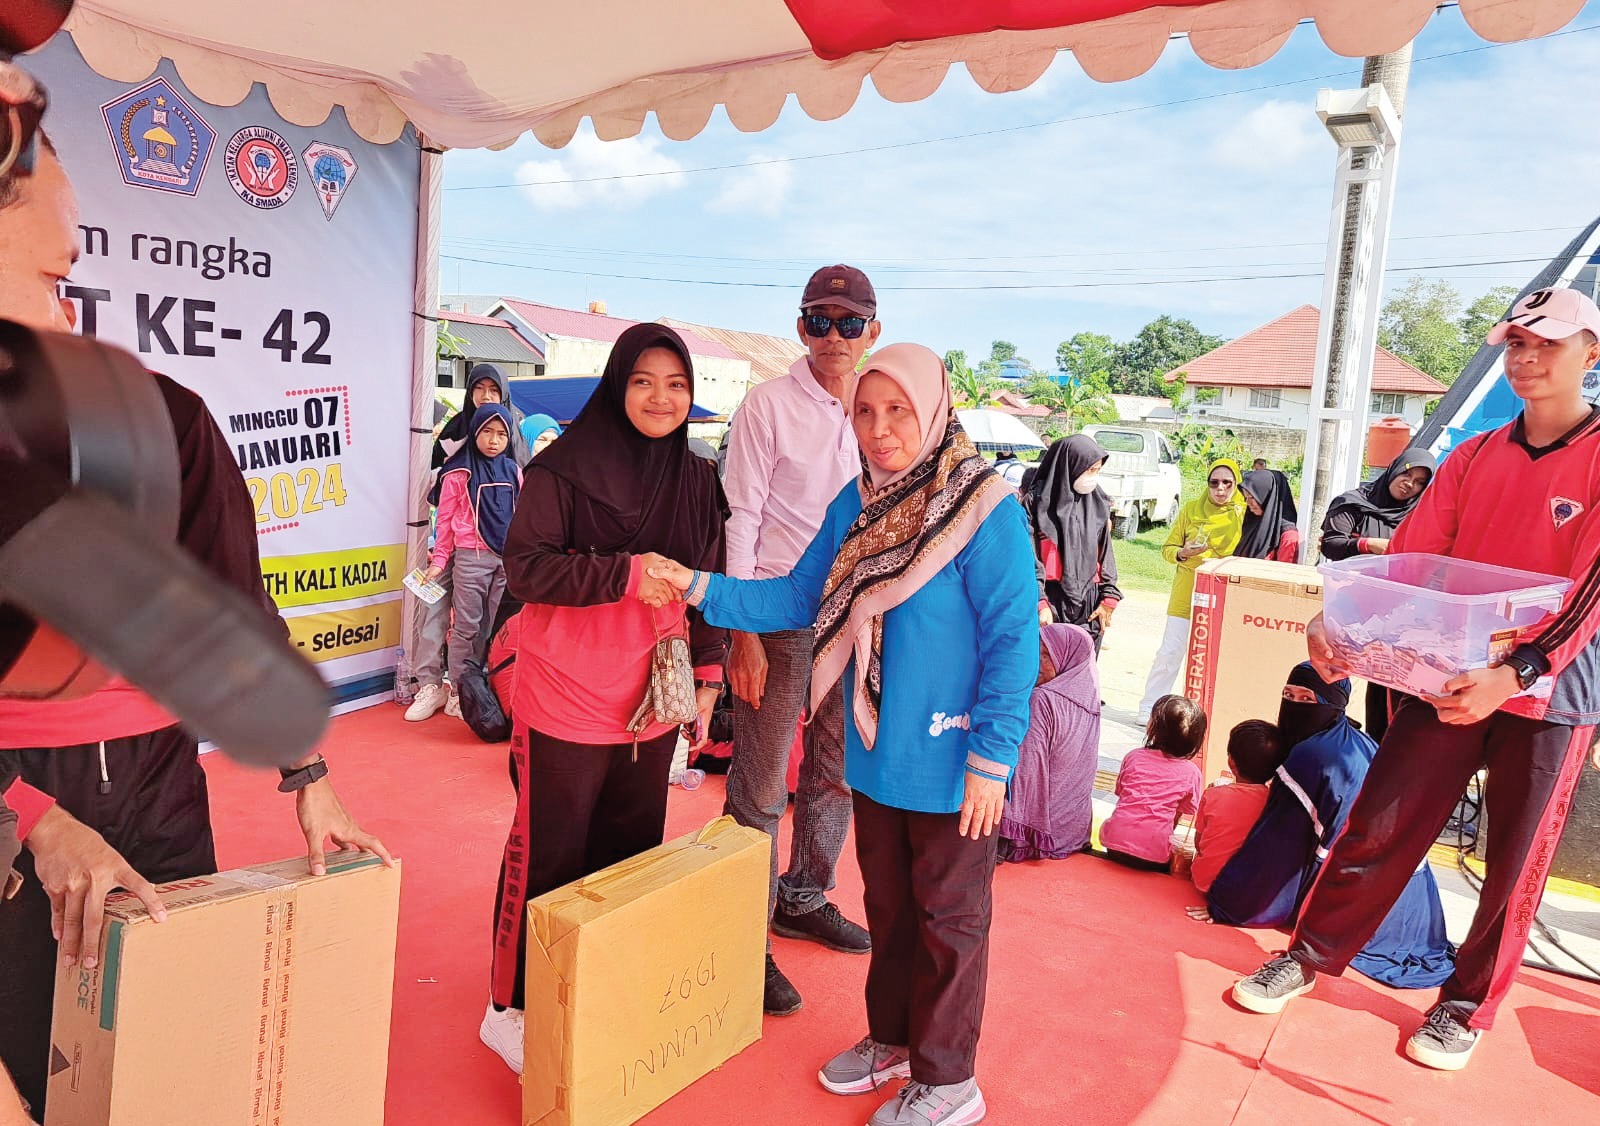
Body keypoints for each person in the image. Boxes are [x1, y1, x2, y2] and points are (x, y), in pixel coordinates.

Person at [0, 74, 388, 1120]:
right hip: (16, 810)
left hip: (164, 792)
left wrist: (310, 776)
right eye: (46, 267)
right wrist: (30, 820)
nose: (57, 303)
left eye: (65, 276)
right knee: (31, 1049)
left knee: (161, 1038)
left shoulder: (170, 418)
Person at [646, 342, 1037, 1126]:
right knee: (892, 911)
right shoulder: (855, 504)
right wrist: (694, 585)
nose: (880, 428)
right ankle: (892, 1040)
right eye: (865, 411)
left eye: (897, 410)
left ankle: (951, 1080)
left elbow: (1013, 638)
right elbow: (795, 595)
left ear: (933, 409)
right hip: (879, 753)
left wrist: (993, 759)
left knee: (951, 922)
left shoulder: (983, 507)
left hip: (957, 759)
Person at [1231, 287, 1600, 1072]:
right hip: (1446, 677)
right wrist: (1346, 629)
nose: (1527, 360)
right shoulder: (1473, 456)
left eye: (1548, 346)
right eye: (1516, 346)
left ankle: (1464, 1007)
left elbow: (1590, 591)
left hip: (1551, 690)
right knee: (1383, 820)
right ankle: (1309, 956)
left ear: (1590, 356)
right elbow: (1411, 566)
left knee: (1515, 858)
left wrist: (1520, 668)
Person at [480, 323, 729, 1075]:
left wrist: (710, 676)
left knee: (628, 853)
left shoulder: (696, 478)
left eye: (677, 384)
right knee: (551, 853)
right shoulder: (563, 470)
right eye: (645, 381)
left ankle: (589, 987)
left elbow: (707, 585)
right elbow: (527, 570)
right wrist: (624, 573)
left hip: (653, 696)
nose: (662, 397)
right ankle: (511, 1005)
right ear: (619, 384)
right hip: (565, 693)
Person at [718, 264, 880, 1014]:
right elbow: (741, 519)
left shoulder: (884, 411)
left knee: (835, 774)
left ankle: (804, 896)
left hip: (857, 620)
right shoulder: (767, 407)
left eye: (850, 323)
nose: (835, 337)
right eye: (821, 320)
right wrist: (740, 631)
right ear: (800, 326)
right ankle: (738, 942)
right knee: (758, 788)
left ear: (873, 330)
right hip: (777, 621)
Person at [1209, 666, 1454, 990]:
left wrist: (1227, 902)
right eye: (1288, 695)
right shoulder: (1360, 742)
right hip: (1416, 910)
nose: (1294, 705)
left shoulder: (1310, 757)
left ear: (1333, 702)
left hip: (1365, 913)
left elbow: (1277, 855)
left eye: (1307, 698)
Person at [408, 364, 534, 722]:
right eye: (479, 388)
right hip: (463, 554)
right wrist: (439, 557)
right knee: (448, 617)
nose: (485, 397)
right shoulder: (454, 446)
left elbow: (524, 511)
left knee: (491, 624)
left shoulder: (515, 461)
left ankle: (476, 687)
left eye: (494, 391)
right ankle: (435, 683)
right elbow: (443, 513)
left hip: (503, 558)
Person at [1318, 448, 1436, 739]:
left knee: (1387, 694)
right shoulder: (1355, 502)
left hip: (1403, 619)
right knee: (1333, 679)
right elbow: (1332, 544)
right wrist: (1371, 545)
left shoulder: (1422, 514)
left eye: (1420, 482)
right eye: (1407, 473)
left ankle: (1378, 750)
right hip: (1352, 610)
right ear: (1395, 468)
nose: (1410, 484)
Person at [1136, 459, 1244, 722]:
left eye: (1227, 483)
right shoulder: (1192, 509)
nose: (1220, 489)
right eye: (1214, 482)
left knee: (1210, 657)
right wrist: (1183, 553)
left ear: (1236, 484)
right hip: (1187, 589)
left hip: (1222, 593)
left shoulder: (1243, 512)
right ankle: (1150, 707)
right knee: (1170, 651)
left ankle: (1200, 714)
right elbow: (1167, 549)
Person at [998, 623, 1100, 862]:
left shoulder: (1043, 700)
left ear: (1067, 659)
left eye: (1046, 655)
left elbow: (1025, 774)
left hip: (1038, 835)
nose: (1037, 663)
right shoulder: (1089, 699)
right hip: (1072, 832)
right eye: (1037, 652)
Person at [1028, 435, 1121, 651]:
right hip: (1049, 601)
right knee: (1048, 673)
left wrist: (1109, 597)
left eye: (1098, 470)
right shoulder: (1036, 504)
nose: (1093, 477)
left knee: (1083, 674)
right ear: (1069, 466)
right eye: (1090, 470)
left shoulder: (1098, 502)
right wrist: (1040, 603)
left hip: (1090, 601)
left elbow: (1106, 554)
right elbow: (1028, 560)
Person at [1100, 695, 1205, 871]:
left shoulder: (1134, 757)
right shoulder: (1192, 773)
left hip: (1114, 844)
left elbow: (1122, 795)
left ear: (1153, 728)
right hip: (1155, 855)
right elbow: (1181, 813)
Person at [1189, 720, 1280, 894]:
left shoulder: (1213, 794)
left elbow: (1199, 844)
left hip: (1203, 882)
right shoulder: (1275, 804)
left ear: (1231, 761)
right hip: (1245, 894)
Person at [1236, 468, 1301, 562]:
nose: (1248, 502)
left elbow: (1283, 574)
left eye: (1252, 497)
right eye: (1246, 497)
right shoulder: (1253, 522)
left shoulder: (1288, 536)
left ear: (1268, 497)